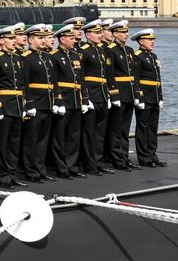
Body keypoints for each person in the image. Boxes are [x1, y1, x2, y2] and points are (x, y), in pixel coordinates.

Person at [0, 26, 27, 189]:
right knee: (2, 142)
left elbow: (22, 84)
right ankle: (1, 175)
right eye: (10, 39)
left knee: (14, 142)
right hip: (5, 104)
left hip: (17, 104)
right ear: (1, 41)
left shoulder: (18, 59)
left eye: (14, 39)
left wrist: (25, 103)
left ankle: (12, 173)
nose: (14, 41)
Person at [20, 24, 57, 182]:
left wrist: (55, 101)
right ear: (30, 40)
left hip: (47, 103)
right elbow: (24, 83)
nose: (43, 41)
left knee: (43, 140)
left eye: (44, 38)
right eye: (40, 38)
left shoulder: (48, 57)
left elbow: (53, 82)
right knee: (31, 141)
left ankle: (41, 169)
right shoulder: (26, 58)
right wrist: (28, 104)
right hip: (35, 104)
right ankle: (31, 171)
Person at [77, 20, 114, 176]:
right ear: (88, 34)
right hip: (91, 96)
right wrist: (85, 98)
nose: (100, 35)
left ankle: (98, 162)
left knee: (100, 133)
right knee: (89, 133)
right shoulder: (83, 51)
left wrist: (109, 95)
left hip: (102, 95)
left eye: (101, 33)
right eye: (97, 33)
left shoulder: (102, 51)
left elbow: (106, 76)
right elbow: (81, 77)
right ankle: (89, 164)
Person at [50, 22, 86, 179]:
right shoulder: (54, 56)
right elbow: (54, 81)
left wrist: (84, 99)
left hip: (76, 100)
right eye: (70, 37)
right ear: (62, 39)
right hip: (63, 101)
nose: (74, 40)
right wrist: (57, 101)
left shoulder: (76, 56)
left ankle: (71, 165)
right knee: (59, 137)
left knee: (73, 136)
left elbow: (81, 80)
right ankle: (61, 168)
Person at [105, 20, 138, 170]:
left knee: (125, 130)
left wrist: (137, 93)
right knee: (116, 130)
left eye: (126, 32)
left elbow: (134, 74)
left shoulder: (129, 50)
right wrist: (114, 95)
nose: (126, 35)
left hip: (129, 93)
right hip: (119, 92)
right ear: (115, 34)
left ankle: (124, 157)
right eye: (123, 32)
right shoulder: (110, 50)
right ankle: (117, 159)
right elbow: (110, 74)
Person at [131, 29, 167, 167]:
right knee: (143, 127)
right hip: (144, 97)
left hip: (155, 97)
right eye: (149, 40)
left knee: (152, 128)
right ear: (141, 41)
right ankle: (144, 157)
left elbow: (157, 79)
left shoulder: (153, 56)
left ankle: (152, 155)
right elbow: (135, 79)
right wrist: (138, 97)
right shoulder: (137, 56)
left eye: (153, 40)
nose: (152, 42)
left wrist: (161, 96)